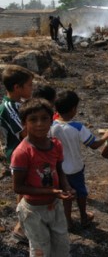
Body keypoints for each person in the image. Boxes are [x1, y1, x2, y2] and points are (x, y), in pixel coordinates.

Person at [11, 98, 74, 256]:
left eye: (44, 118)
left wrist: (65, 186)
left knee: (61, 246)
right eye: (33, 119)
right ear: (24, 123)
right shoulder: (22, 152)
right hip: (33, 211)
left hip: (54, 206)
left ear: (51, 119)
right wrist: (52, 191)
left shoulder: (56, 145)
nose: (39, 124)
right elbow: (18, 187)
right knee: (41, 249)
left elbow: (59, 170)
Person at [50, 90, 108, 229]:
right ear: (73, 109)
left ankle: (68, 221)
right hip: (75, 168)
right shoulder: (77, 127)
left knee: (66, 195)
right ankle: (84, 216)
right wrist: (106, 136)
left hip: (60, 168)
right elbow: (94, 145)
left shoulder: (51, 126)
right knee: (81, 192)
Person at [0, 65, 33, 242]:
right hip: (18, 155)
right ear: (17, 88)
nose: (32, 88)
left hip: (25, 152)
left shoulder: (17, 104)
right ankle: (21, 227)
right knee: (24, 191)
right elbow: (24, 133)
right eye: (29, 85)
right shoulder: (9, 107)